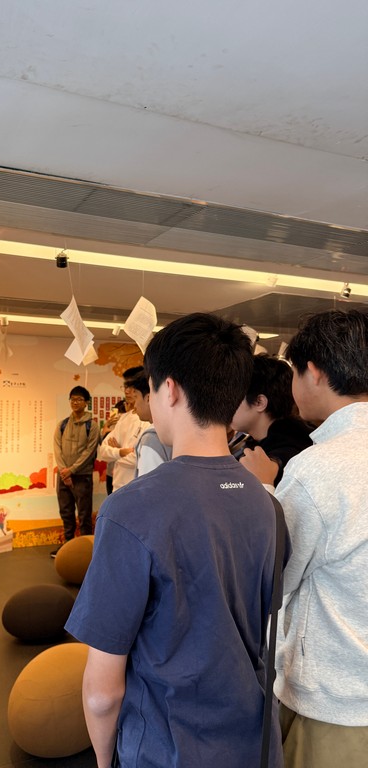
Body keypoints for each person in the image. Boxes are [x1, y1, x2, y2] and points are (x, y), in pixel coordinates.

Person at [66, 313, 286, 768]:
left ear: (169, 389)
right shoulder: (264, 500)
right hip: (253, 742)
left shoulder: (130, 510)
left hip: (166, 750)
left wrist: (105, 761)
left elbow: (102, 693)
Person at [241, 309, 368, 768]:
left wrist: (264, 490)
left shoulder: (318, 467)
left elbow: (277, 577)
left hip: (337, 700)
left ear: (313, 372)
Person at [230, 353, 313, 485]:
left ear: (259, 402)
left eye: (234, 397)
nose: (227, 404)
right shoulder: (263, 442)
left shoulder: (281, 460)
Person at [52, 385, 99, 556]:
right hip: (63, 476)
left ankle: (86, 550)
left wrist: (71, 470)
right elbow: (57, 448)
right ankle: (67, 547)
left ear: (86, 403)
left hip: (82, 476)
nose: (75, 402)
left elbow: (90, 451)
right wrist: (64, 471)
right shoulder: (62, 424)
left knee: (84, 515)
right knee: (66, 512)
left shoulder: (92, 426)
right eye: (73, 399)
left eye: (79, 399)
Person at [98, 367, 150, 491]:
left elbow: (138, 459)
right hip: (117, 487)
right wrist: (121, 452)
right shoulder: (123, 418)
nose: (127, 391)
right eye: (125, 387)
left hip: (136, 489)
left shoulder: (148, 420)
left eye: (131, 387)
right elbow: (103, 451)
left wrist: (115, 454)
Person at [125, 372, 171, 477]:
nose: (135, 405)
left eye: (136, 397)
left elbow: (148, 485)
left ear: (148, 398)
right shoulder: (173, 431)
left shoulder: (152, 439)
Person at [100, 398, 127, 495]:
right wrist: (106, 428)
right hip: (110, 472)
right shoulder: (112, 427)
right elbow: (103, 448)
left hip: (124, 473)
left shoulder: (132, 428)